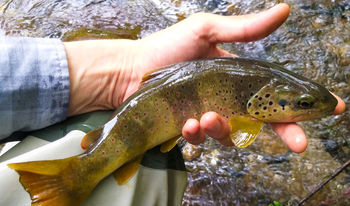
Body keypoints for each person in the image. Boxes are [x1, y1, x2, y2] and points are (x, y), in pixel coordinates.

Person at [0, 3, 345, 152]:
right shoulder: (260, 99)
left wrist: (125, 66)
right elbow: (241, 135)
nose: (308, 109)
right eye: (302, 105)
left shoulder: (265, 91)